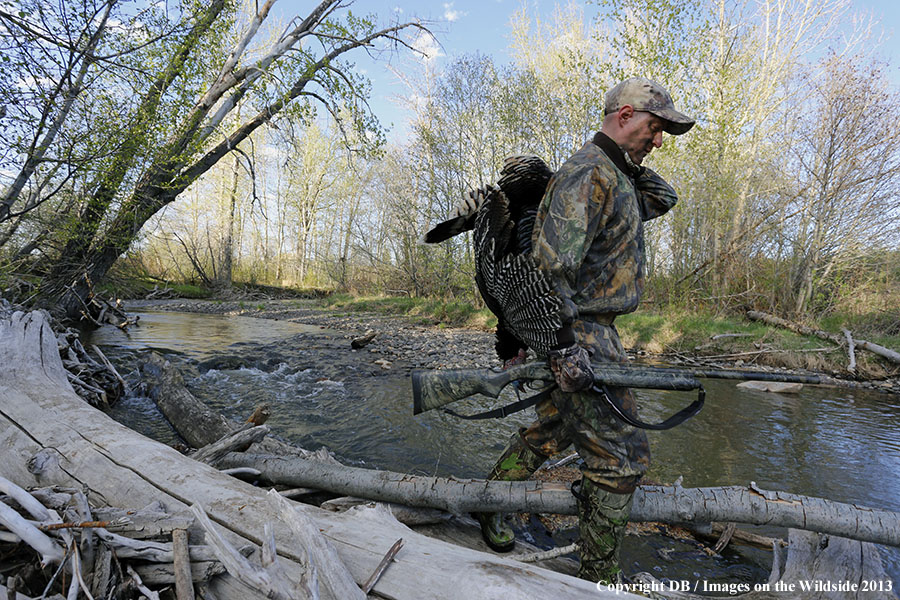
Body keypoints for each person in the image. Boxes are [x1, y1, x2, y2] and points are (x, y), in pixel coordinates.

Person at [474, 77, 694, 583]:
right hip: (580, 333)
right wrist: (562, 349)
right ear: (624, 115)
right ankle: (600, 579)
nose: (660, 140)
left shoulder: (612, 175)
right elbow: (550, 269)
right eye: (655, 127)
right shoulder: (588, 174)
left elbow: (664, 197)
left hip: (592, 331)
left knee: (551, 428)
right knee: (621, 459)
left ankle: (489, 503)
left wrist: (624, 157)